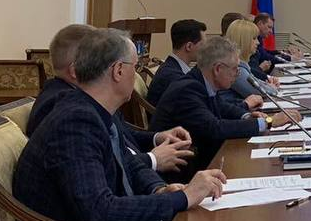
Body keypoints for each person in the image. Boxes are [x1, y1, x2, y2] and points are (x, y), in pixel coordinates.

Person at [13, 28, 226, 221]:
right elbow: (100, 213)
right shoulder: (75, 121)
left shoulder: (94, 109)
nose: (136, 74)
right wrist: (183, 198)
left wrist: (159, 190)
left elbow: (128, 162)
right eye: (135, 66)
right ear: (118, 70)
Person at [27, 24, 194, 176]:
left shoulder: (91, 98)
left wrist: (156, 138)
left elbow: (122, 135)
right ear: (75, 70)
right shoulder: (62, 107)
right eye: (96, 58)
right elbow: (98, 167)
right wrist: (152, 159)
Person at [150, 37, 301, 178]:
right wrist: (269, 122)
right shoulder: (188, 89)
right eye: (235, 69)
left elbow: (222, 107)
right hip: (180, 175)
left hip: (202, 161)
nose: (237, 74)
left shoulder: (201, 82)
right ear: (218, 69)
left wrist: (247, 116)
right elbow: (214, 128)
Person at [146, 19, 207, 107]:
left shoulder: (171, 68)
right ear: (189, 46)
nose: (206, 49)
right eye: (203, 45)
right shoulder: (173, 77)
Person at [225, 19, 277, 100]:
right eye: (254, 38)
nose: (258, 42)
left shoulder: (243, 64)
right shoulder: (237, 69)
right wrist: (272, 87)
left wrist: (269, 86)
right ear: (243, 40)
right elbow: (260, 92)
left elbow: (258, 83)